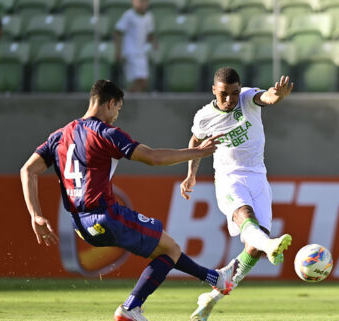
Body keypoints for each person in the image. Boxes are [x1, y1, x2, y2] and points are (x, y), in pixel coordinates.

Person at [20, 80, 233, 321]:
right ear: (110, 103)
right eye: (118, 110)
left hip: (80, 225)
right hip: (106, 215)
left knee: (166, 250)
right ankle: (131, 307)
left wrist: (35, 214)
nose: (116, 117)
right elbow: (152, 157)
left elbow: (27, 170)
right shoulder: (105, 133)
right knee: (170, 249)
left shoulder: (59, 136)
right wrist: (198, 152)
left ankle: (216, 279)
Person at [180, 67, 294, 321]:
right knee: (245, 215)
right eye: (224, 94)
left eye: (234, 93)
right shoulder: (204, 117)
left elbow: (266, 97)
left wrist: (278, 96)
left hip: (258, 177)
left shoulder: (246, 97)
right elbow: (195, 141)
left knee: (253, 248)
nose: (230, 99)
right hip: (229, 177)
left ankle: (212, 296)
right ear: (214, 91)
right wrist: (191, 173)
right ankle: (270, 244)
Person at [113, 0, 156, 92]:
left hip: (142, 54)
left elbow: (150, 33)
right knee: (142, 82)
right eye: (139, 1)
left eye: (144, 2)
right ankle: (123, 98)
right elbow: (118, 32)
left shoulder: (149, 16)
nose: (142, 4)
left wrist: (154, 42)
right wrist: (118, 51)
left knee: (142, 84)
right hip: (130, 53)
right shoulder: (129, 15)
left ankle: (124, 97)